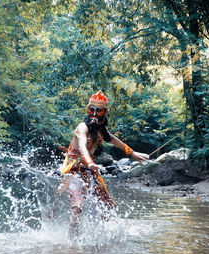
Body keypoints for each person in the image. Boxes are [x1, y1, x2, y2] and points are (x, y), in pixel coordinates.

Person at [58, 90, 149, 238]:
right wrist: (89, 162)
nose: (94, 113)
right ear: (87, 110)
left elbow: (113, 140)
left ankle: (112, 235)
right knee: (78, 204)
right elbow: (81, 146)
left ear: (105, 113)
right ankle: (72, 241)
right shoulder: (83, 127)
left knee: (106, 204)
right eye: (91, 109)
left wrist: (133, 154)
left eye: (98, 110)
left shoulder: (101, 130)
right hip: (73, 170)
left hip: (89, 169)